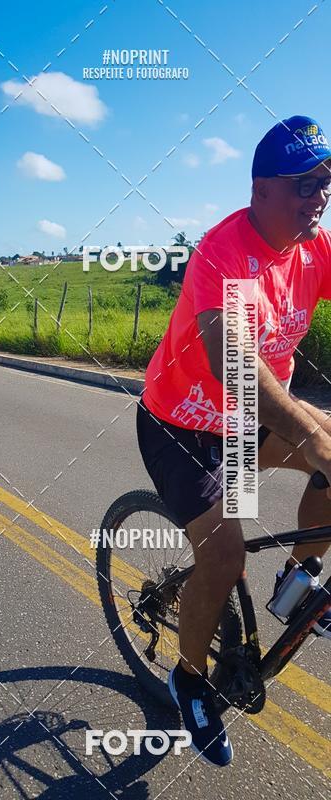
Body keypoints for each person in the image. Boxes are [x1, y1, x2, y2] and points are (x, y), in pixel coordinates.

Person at [137, 115, 331, 767]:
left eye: (328, 180)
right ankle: (189, 680)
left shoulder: (313, 249)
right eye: (306, 182)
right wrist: (306, 429)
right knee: (222, 557)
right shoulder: (223, 254)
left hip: (246, 428)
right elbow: (235, 365)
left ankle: (297, 581)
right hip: (181, 426)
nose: (321, 194)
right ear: (261, 191)